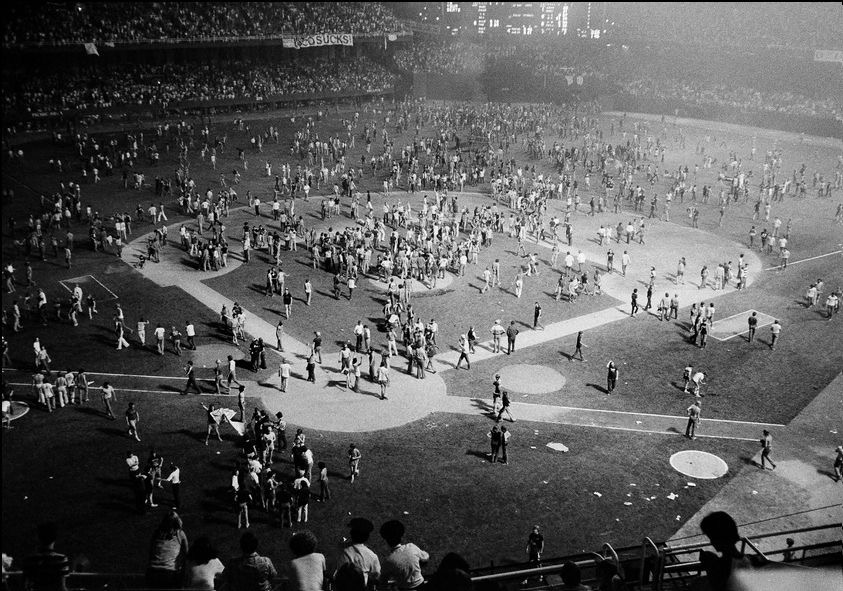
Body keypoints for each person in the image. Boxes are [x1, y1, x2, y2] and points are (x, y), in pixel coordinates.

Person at [698, 511, 753, 590]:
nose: (711, 542)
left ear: (720, 538)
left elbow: (717, 586)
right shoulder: (746, 559)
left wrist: (711, 565)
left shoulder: (724, 565)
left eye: (712, 538)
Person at [379, 520, 429, 591]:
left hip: (403, 588)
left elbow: (383, 581)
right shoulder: (412, 547)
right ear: (401, 536)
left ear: (386, 540)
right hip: (421, 585)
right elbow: (425, 557)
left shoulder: (388, 561)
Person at [146, 511, 189, 589]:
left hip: (152, 571)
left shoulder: (157, 533)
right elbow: (186, 554)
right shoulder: (180, 534)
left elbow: (151, 552)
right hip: (169, 572)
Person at [21, 523, 71, 591]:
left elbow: (26, 584)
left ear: (38, 538)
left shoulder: (29, 559)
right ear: (54, 539)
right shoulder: (61, 559)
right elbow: (62, 586)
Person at [335, 518, 381, 590]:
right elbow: (376, 577)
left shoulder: (344, 552)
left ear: (352, 534)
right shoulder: (372, 555)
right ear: (367, 537)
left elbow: (340, 574)